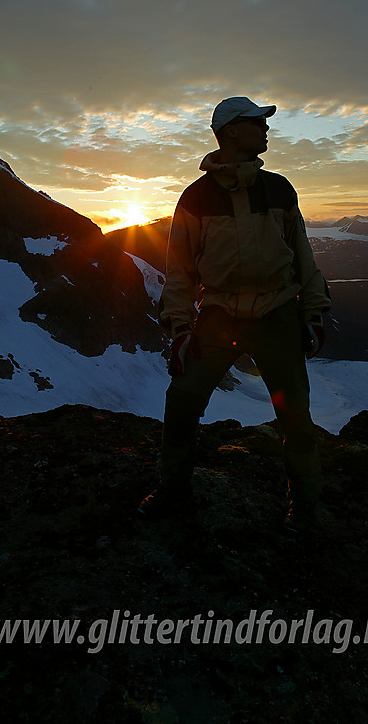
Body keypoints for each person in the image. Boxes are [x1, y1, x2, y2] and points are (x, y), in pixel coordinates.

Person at [138, 96, 331, 532]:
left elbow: (304, 257)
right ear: (230, 132)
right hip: (220, 317)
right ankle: (173, 491)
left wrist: (314, 313)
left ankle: (304, 508)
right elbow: (180, 270)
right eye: (256, 123)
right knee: (182, 402)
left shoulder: (280, 188)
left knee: (295, 414)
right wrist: (182, 328)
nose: (265, 130)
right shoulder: (196, 197)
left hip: (277, 314)